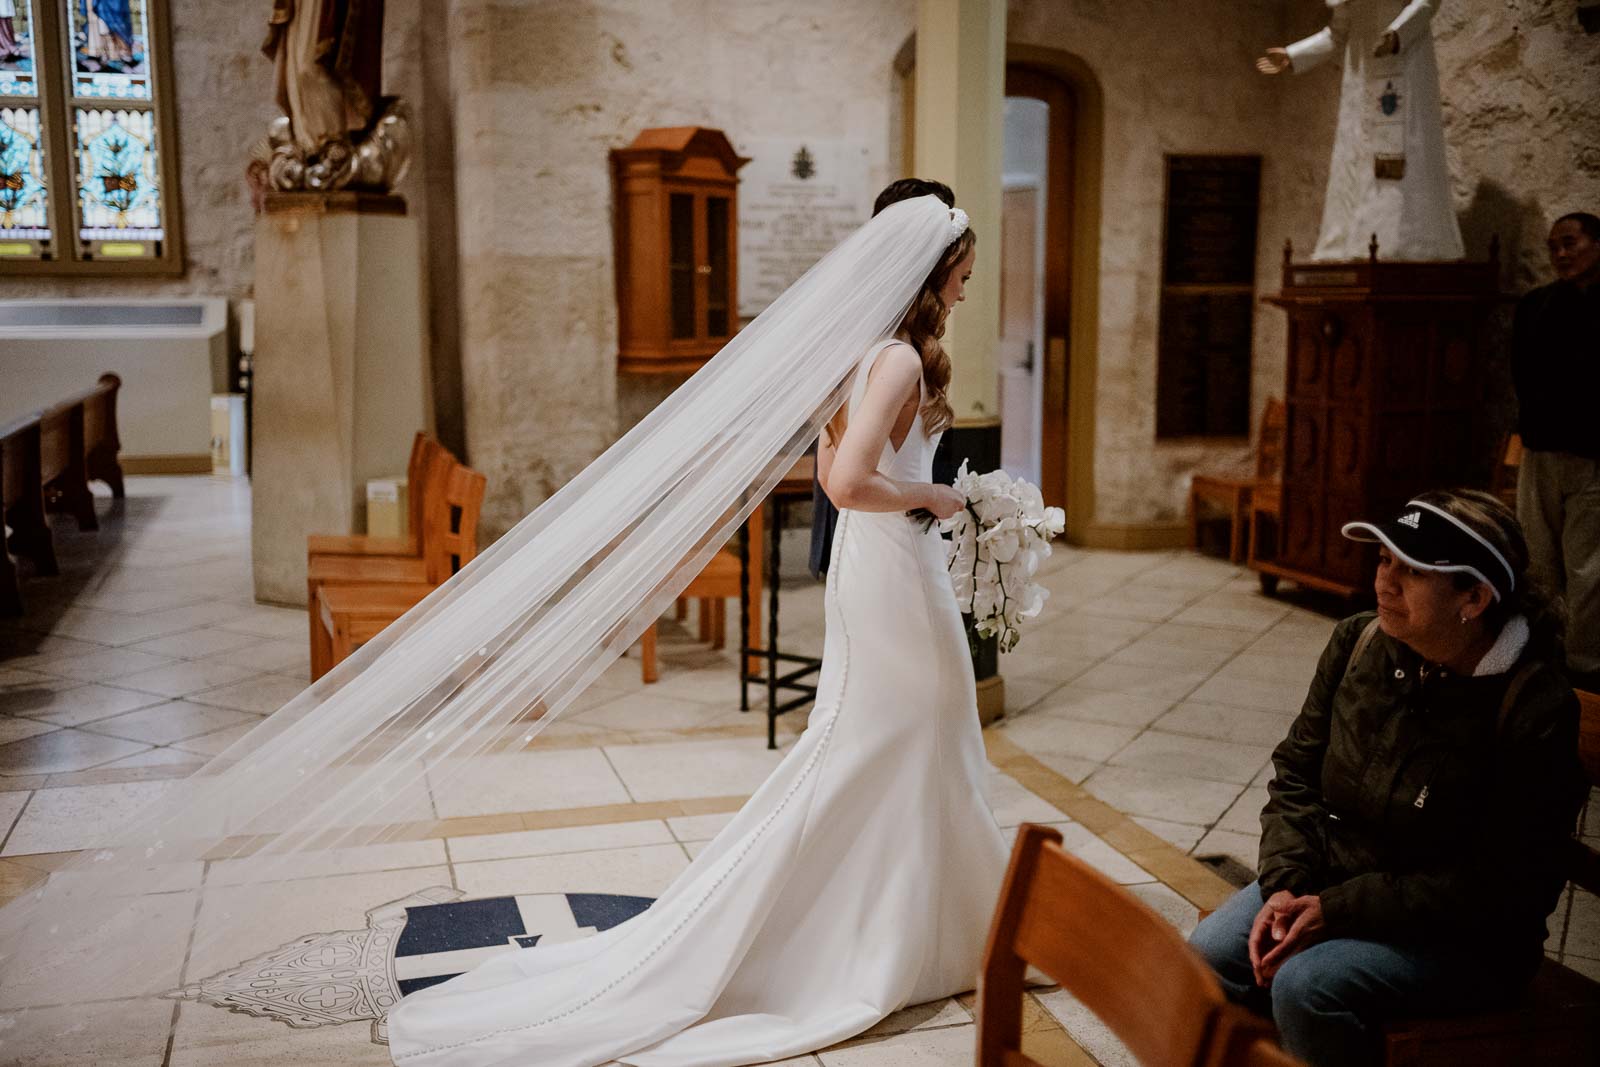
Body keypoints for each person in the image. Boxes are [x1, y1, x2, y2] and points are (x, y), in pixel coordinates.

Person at [384, 202, 1002, 1066]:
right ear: (932, 275)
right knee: (895, 740)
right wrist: (935, 497)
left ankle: (932, 928)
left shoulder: (863, 356)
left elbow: (829, 470)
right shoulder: (896, 358)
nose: (966, 291)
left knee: (907, 742)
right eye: (963, 277)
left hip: (883, 571)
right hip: (894, 570)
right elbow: (853, 482)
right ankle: (883, 934)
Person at [1189, 489, 1586, 1067]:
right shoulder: (1359, 641)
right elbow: (1295, 774)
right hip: (1335, 882)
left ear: (1473, 597)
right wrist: (1284, 884)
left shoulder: (1532, 706)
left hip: (1468, 939)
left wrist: (1335, 912)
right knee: (1208, 955)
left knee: (1306, 986)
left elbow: (1499, 883)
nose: (1384, 582)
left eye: (1412, 570)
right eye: (1383, 560)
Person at [809, 176, 956, 578]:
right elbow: (843, 476)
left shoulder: (856, 326)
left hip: (861, 529)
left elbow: (828, 467)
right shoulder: (896, 352)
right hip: (876, 521)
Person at [1255, 0, 1464, 262]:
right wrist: (1294, 55)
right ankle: (1353, 243)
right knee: (1356, 153)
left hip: (1404, 59)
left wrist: (1398, 33)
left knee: (1406, 151)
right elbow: (1338, 32)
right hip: (1361, 73)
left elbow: (1426, 3)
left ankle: (1408, 244)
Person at [1512, 211, 1600, 691]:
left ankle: (1585, 668)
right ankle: (1542, 656)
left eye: (1571, 243)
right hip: (1541, 450)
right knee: (1538, 560)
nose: (1561, 254)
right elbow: (1522, 373)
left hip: (1591, 455)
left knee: (1589, 568)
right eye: (1553, 247)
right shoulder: (1537, 305)